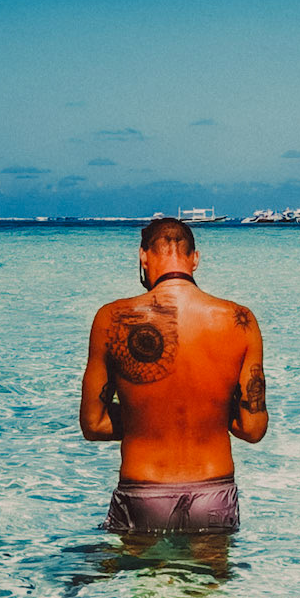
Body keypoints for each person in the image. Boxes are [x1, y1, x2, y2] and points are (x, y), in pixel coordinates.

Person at [80, 217, 267, 534]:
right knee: (210, 583)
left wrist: (149, 415)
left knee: (140, 583)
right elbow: (253, 428)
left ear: (143, 256)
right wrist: (208, 412)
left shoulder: (110, 318)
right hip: (213, 492)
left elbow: (92, 424)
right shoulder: (241, 320)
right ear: (196, 258)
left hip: (143, 489)